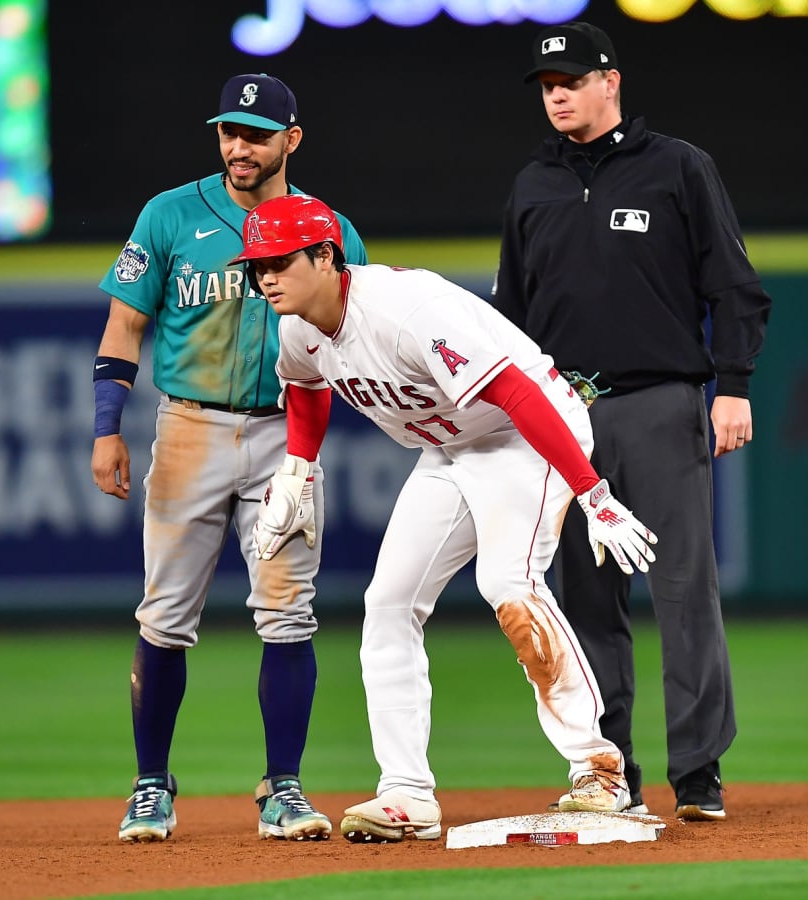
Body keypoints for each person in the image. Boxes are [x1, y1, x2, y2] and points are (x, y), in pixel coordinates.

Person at [229, 193, 658, 843]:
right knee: (389, 602)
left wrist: (593, 495)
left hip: (527, 432)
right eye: (255, 265)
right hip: (451, 446)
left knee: (508, 584)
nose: (265, 277)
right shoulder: (297, 326)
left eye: (278, 261)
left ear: (325, 255)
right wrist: (295, 472)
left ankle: (600, 771)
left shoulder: (407, 313)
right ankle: (406, 793)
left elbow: (517, 391)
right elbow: (307, 390)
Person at [495, 22, 772, 821]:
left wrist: (734, 384)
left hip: (661, 403)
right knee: (586, 604)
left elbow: (735, 287)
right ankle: (609, 770)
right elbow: (509, 320)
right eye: (547, 84)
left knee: (685, 591)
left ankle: (699, 772)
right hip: (564, 421)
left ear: (610, 82)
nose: (556, 94)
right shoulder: (531, 187)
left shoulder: (678, 167)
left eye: (572, 80)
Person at [90, 74, 368, 844]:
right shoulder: (172, 213)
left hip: (286, 437)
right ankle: (151, 785)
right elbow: (123, 324)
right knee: (165, 615)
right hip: (189, 429)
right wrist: (106, 427)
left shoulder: (327, 227)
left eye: (255, 132)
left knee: (288, 614)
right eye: (227, 131)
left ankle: (284, 788)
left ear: (291, 139)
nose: (238, 146)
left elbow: (360, 332)